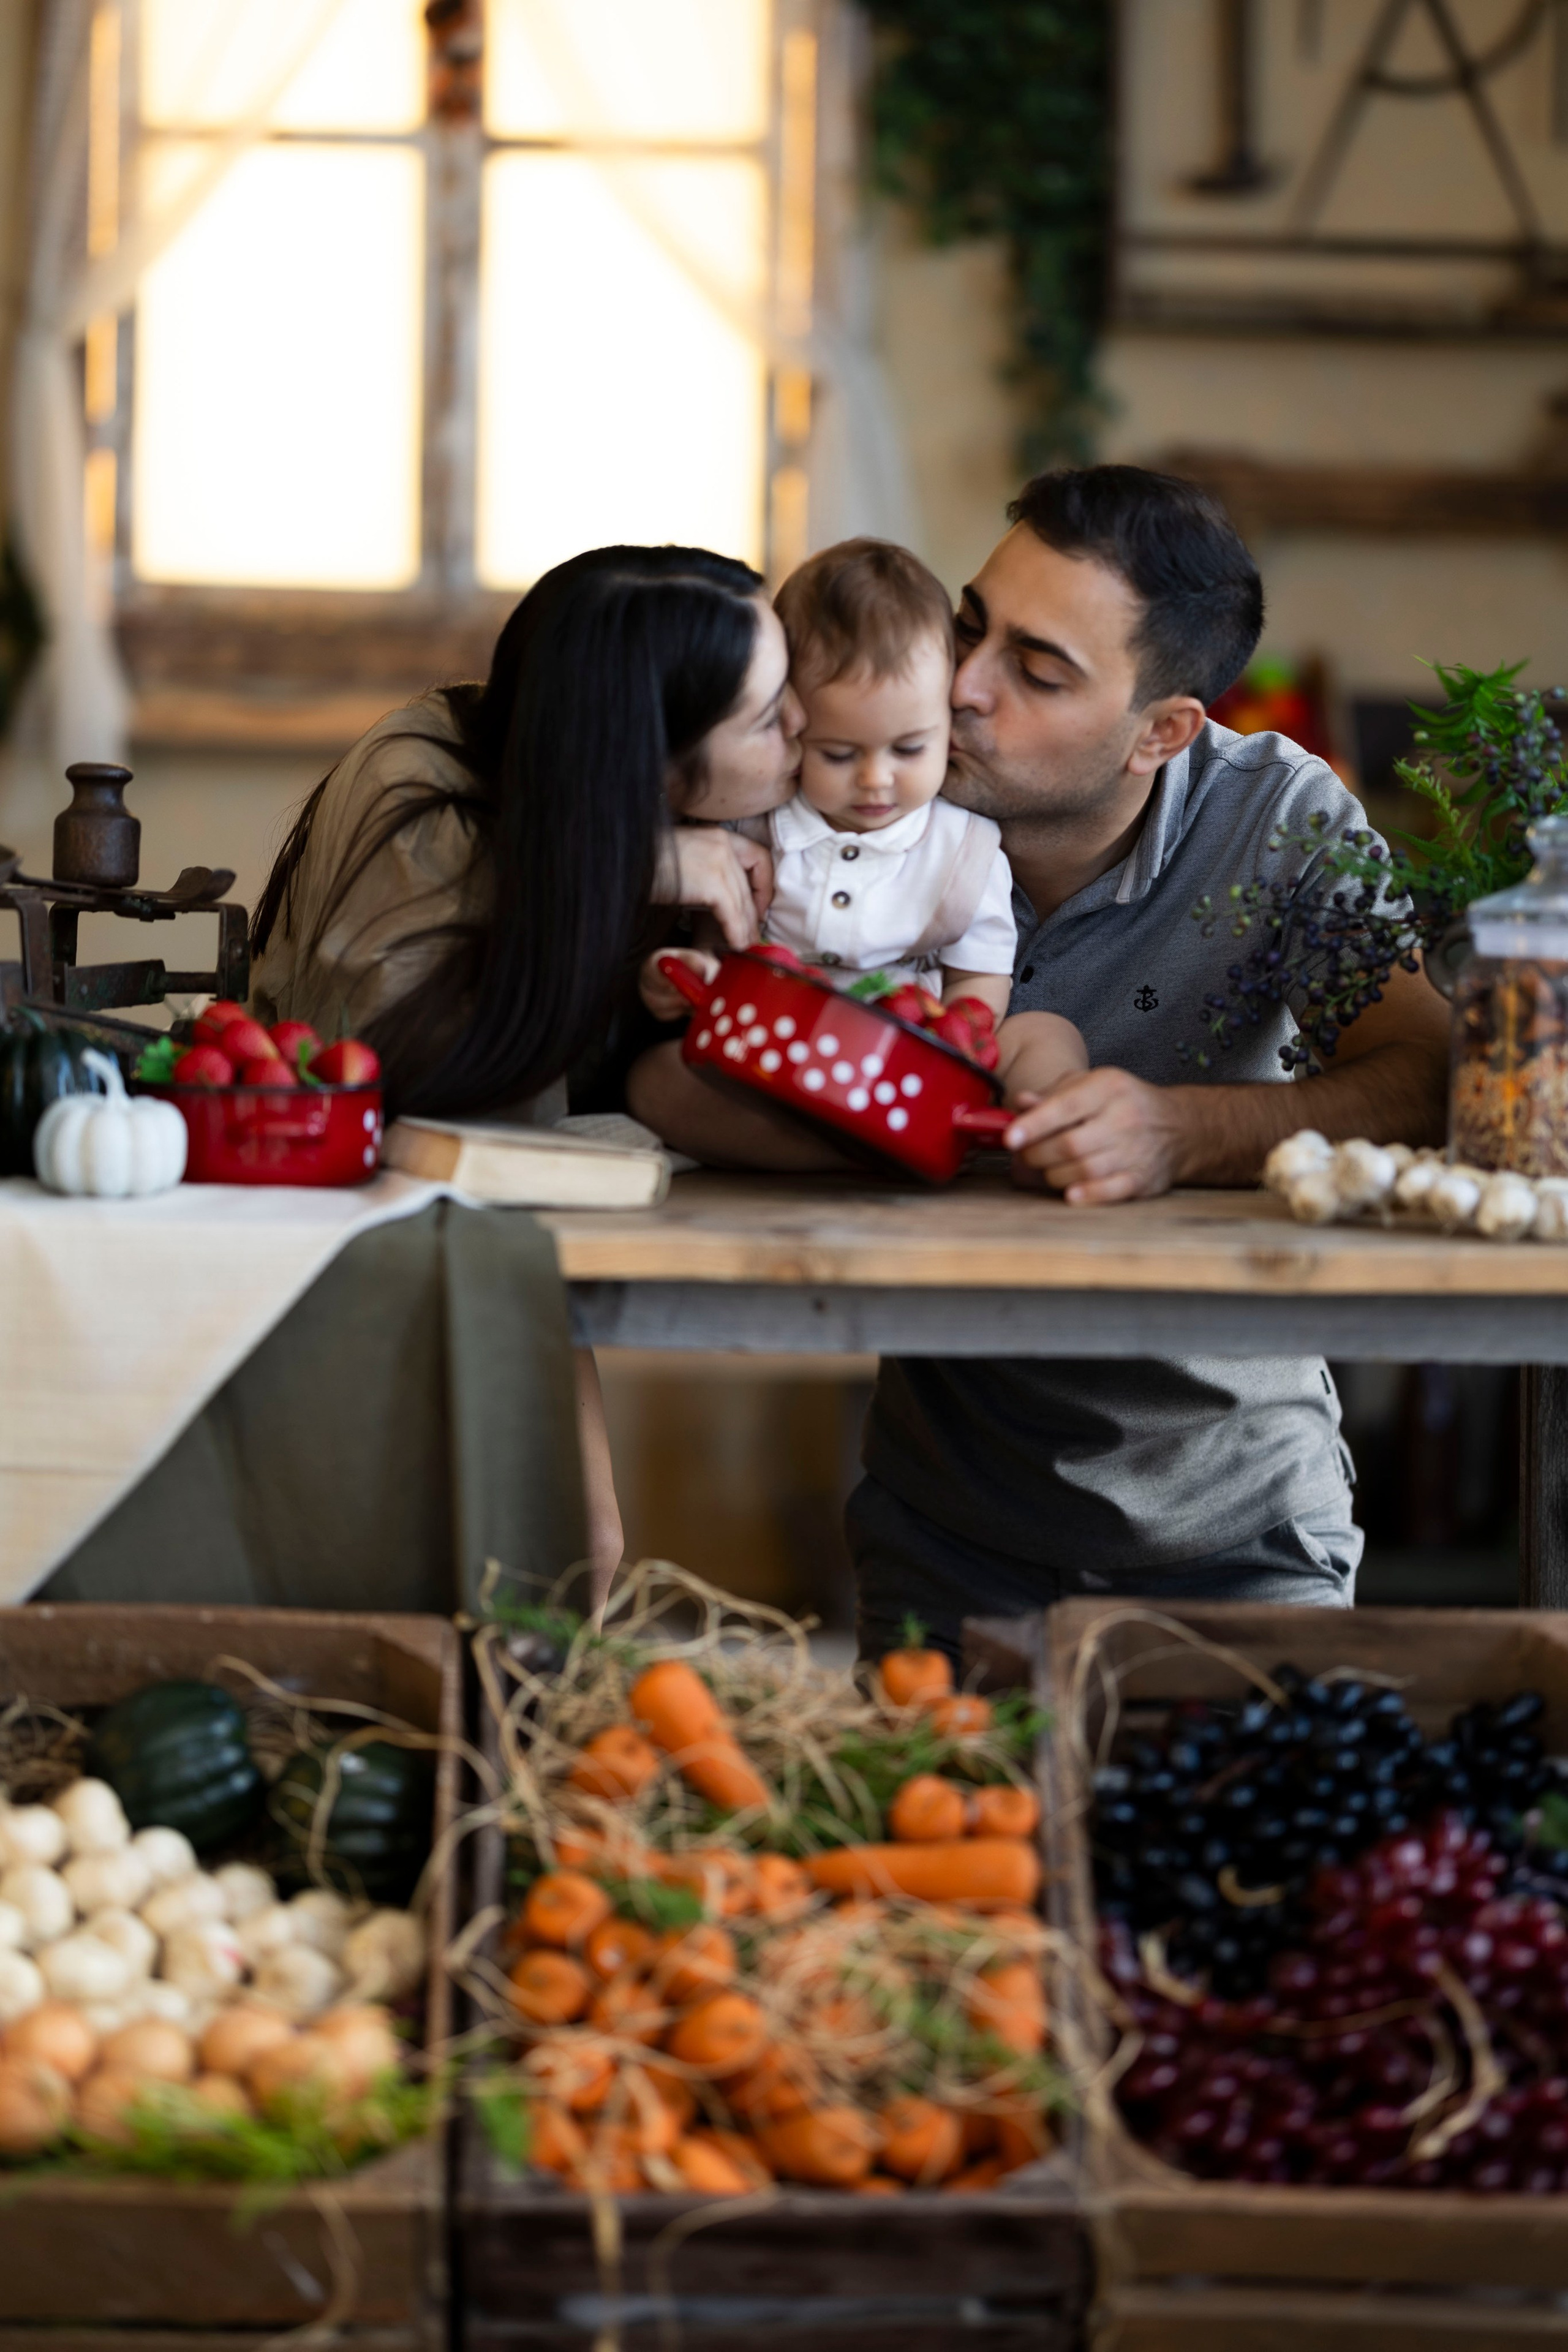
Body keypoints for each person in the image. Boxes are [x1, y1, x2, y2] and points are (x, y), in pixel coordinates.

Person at [847, 465, 1452, 1662]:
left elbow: (1423, 1076)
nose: (961, 687)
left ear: (1163, 731)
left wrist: (1177, 1131)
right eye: (971, 625)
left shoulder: (1274, 821)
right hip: (944, 1529)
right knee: (914, 1846)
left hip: (1235, 1527)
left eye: (1037, 669)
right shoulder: (870, 788)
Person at [249, 543, 805, 1597]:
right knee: (553, 1543)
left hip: (535, 1227)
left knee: (576, 1548)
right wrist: (631, 872)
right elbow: (412, 1090)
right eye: (770, 719)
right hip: (371, 1225)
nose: (805, 734)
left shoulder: (709, 803)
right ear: (649, 752)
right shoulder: (421, 783)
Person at [630, 538, 1086, 1164]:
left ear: (946, 726)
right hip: (783, 1058)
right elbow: (725, 957)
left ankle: (1028, 1138)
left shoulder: (964, 849)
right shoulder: (754, 831)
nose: (876, 780)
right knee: (655, 1078)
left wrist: (958, 1034)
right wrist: (693, 978)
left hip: (915, 1057)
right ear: (792, 725)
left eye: (908, 750)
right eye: (839, 754)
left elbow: (979, 974)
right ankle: (852, 1151)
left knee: (1044, 1035)